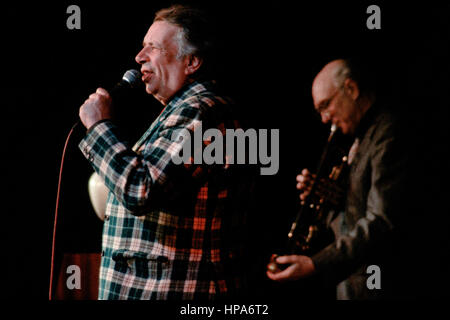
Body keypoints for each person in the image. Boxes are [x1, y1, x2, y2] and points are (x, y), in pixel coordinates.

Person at [78, 4, 253, 300]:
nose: (139, 57)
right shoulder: (179, 113)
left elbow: (140, 189)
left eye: (153, 48)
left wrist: (99, 126)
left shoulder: (203, 112)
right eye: (142, 47)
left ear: (192, 61)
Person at [267, 58, 424, 299]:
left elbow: (382, 220)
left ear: (351, 89)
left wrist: (315, 264)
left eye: (326, 105)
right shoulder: (360, 137)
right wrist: (333, 198)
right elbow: (356, 212)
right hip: (354, 283)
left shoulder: (388, 132)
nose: (324, 119)